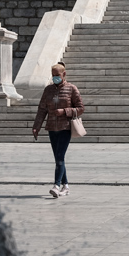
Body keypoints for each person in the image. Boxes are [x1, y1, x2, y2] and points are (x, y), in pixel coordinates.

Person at [32, 63, 85, 198]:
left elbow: (80, 108)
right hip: (51, 128)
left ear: (64, 74)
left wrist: (64, 111)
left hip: (65, 127)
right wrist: (37, 126)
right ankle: (65, 186)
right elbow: (42, 109)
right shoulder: (48, 90)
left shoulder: (71, 89)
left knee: (60, 156)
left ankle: (56, 185)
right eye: (53, 75)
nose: (55, 78)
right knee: (58, 158)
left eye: (58, 75)